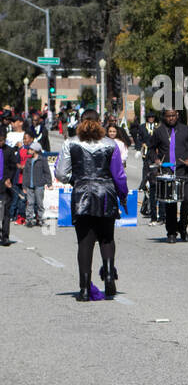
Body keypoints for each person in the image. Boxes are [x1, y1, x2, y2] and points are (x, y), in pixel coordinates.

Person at [54, 111, 129, 300]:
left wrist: (76, 180)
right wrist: (123, 193)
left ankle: (85, 288)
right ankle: (110, 274)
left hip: (82, 194)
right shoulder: (110, 144)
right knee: (107, 238)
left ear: (81, 122)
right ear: (100, 122)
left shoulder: (71, 142)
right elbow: (119, 175)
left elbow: (61, 173)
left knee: (85, 242)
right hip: (106, 193)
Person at [146, 108, 188, 243]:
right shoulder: (159, 131)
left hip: (184, 171)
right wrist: (156, 159)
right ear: (164, 117)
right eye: (168, 116)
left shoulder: (185, 130)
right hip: (168, 171)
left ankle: (182, 226)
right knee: (171, 203)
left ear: (177, 115)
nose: (171, 118)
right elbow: (150, 148)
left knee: (187, 200)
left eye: (173, 116)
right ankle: (171, 232)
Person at [21, 132, 51, 227]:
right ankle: (29, 220)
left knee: (39, 203)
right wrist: (24, 186)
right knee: (30, 203)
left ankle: (40, 219)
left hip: (39, 185)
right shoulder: (29, 161)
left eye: (30, 149)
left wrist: (49, 183)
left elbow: (47, 172)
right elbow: (25, 173)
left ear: (35, 150)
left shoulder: (42, 160)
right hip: (29, 186)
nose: (29, 150)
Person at [0, 137, 16, 246]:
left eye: (2, 140)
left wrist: (9, 178)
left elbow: (13, 167)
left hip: (5, 185)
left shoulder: (9, 151)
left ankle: (5, 237)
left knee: (5, 212)